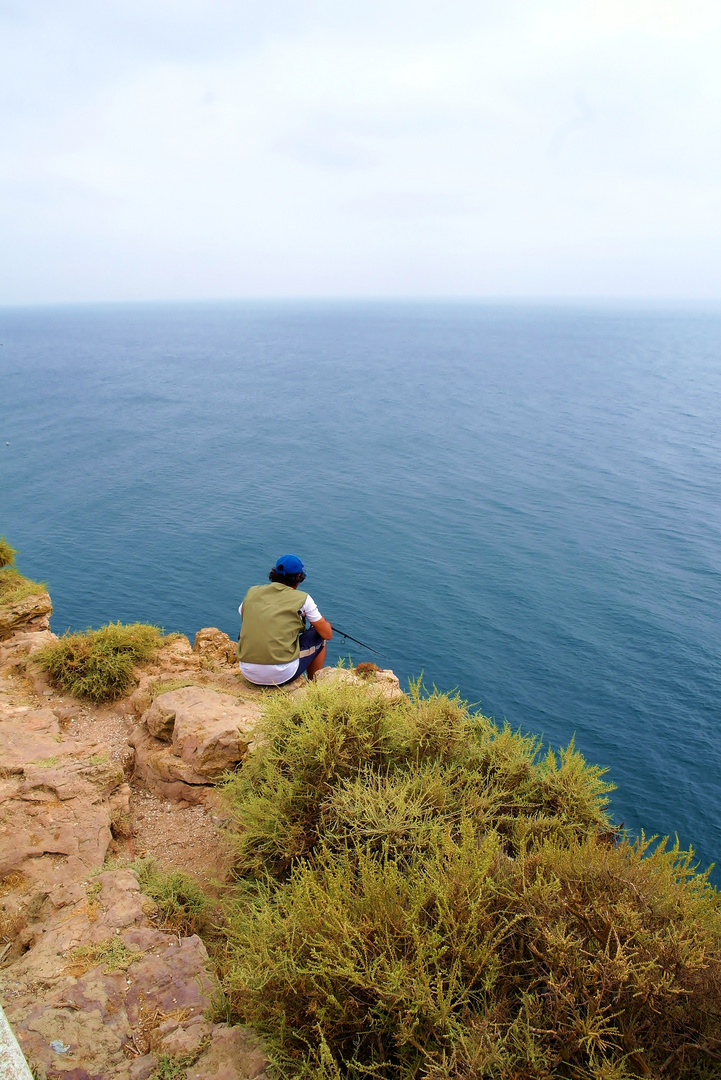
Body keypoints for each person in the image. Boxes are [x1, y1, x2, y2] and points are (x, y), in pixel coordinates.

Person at [237, 554, 332, 686]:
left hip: (248, 671)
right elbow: (327, 633)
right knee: (319, 636)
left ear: (274, 573)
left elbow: (244, 613)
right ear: (299, 577)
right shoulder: (303, 598)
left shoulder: (252, 592)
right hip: (281, 675)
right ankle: (314, 687)